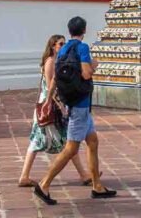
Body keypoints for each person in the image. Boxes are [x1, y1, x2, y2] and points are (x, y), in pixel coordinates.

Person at [34, 17, 116, 205]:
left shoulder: (62, 49)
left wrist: (48, 99)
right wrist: (93, 67)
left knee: (93, 141)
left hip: (73, 102)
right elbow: (86, 73)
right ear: (84, 30)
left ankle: (97, 185)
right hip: (80, 104)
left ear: (70, 31)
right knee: (71, 148)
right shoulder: (82, 48)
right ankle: (44, 184)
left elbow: (55, 78)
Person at [18, 34, 92, 188]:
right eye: (60, 44)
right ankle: (24, 176)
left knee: (67, 141)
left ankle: (84, 174)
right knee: (43, 141)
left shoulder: (58, 60)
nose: (62, 46)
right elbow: (51, 85)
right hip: (49, 105)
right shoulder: (51, 62)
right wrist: (60, 106)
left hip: (51, 104)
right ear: (52, 46)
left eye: (63, 43)